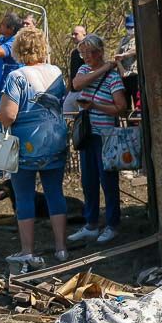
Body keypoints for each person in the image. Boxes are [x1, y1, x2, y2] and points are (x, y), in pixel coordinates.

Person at [0, 27, 70, 272]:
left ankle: (28, 251)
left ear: (18, 49)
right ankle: (61, 248)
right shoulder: (56, 72)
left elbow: (8, 115)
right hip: (56, 140)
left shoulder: (17, 76)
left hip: (27, 146)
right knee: (54, 193)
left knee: (25, 196)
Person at [70, 33, 127, 245]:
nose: (84, 57)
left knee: (108, 182)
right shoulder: (86, 69)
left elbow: (120, 108)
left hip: (105, 136)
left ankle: (112, 224)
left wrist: (95, 106)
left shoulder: (113, 78)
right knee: (88, 181)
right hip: (88, 135)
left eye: (88, 53)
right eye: (82, 53)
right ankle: (91, 223)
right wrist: (104, 67)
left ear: (99, 52)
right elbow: (77, 84)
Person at [63, 25, 88, 114]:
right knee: (65, 111)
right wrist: (68, 89)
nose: (73, 36)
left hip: (85, 90)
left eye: (76, 34)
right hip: (74, 90)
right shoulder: (74, 52)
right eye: (72, 34)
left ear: (84, 34)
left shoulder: (89, 50)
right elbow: (73, 72)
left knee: (83, 116)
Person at [115, 14, 139, 109]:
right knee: (126, 104)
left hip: (135, 75)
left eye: (132, 27)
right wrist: (121, 70)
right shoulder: (123, 40)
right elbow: (116, 56)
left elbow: (135, 50)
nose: (130, 29)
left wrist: (124, 55)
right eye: (128, 27)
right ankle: (130, 122)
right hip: (124, 77)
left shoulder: (139, 38)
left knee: (138, 102)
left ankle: (138, 121)